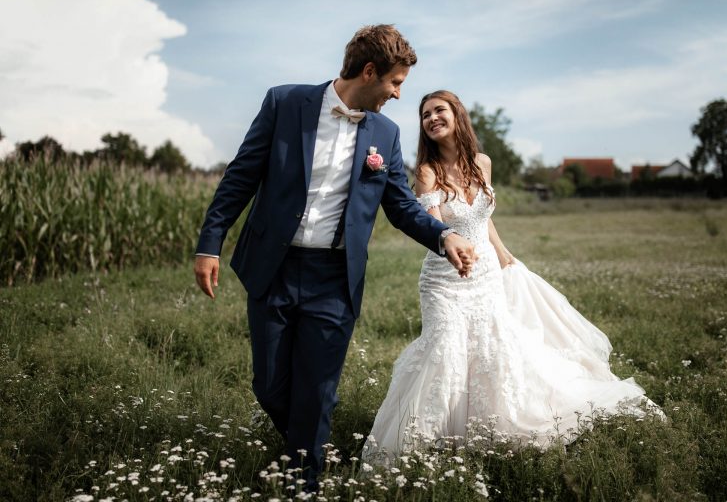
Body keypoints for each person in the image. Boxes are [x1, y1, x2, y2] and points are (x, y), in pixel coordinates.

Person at [193, 27, 476, 489]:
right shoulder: (285, 103)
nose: (399, 94)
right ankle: (312, 433)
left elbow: (401, 205)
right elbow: (239, 177)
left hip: (334, 277)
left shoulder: (384, 132)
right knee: (269, 385)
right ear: (369, 72)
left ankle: (304, 481)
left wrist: (444, 236)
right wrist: (210, 244)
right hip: (274, 266)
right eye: (395, 83)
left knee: (317, 388)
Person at [362, 90, 663, 462]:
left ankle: (489, 424)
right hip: (445, 277)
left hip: (486, 270)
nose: (431, 118)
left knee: (491, 348)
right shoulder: (427, 172)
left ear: (457, 115)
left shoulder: (482, 163)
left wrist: (503, 254)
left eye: (439, 110)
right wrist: (455, 252)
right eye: (425, 115)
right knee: (447, 347)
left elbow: (482, 217)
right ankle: (425, 437)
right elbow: (434, 226)